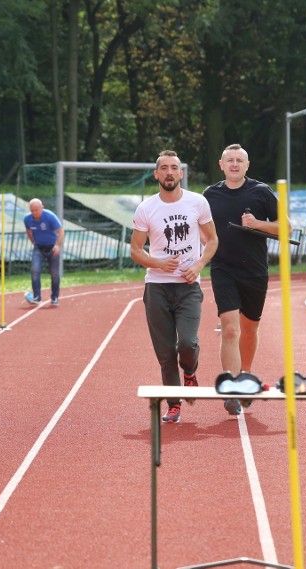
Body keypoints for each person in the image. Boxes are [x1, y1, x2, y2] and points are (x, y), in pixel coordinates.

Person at [131, 150, 218, 424]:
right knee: (166, 353)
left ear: (181, 173)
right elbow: (135, 250)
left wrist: (199, 265)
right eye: (164, 168)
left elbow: (212, 240)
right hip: (157, 288)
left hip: (188, 286)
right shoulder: (146, 208)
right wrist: (157, 263)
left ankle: (190, 372)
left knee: (188, 344)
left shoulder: (197, 202)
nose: (169, 172)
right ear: (156, 174)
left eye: (174, 168)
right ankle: (173, 403)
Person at [204, 143, 291, 416]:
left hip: (254, 271)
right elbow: (200, 228)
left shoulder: (261, 192)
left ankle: (245, 376)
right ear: (221, 164)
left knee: (249, 329)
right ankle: (231, 386)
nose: (234, 164)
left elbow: (285, 228)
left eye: (239, 160)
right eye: (229, 160)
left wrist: (257, 224)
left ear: (247, 165)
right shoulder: (210, 195)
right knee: (230, 329)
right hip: (223, 268)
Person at [23, 198, 64, 306]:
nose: (35, 212)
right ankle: (37, 297)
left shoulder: (50, 216)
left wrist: (58, 245)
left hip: (52, 247)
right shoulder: (27, 219)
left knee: (55, 274)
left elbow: (60, 231)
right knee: (35, 270)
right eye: (32, 210)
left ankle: (55, 298)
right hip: (39, 248)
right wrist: (33, 241)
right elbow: (28, 230)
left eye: (37, 210)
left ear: (42, 207)